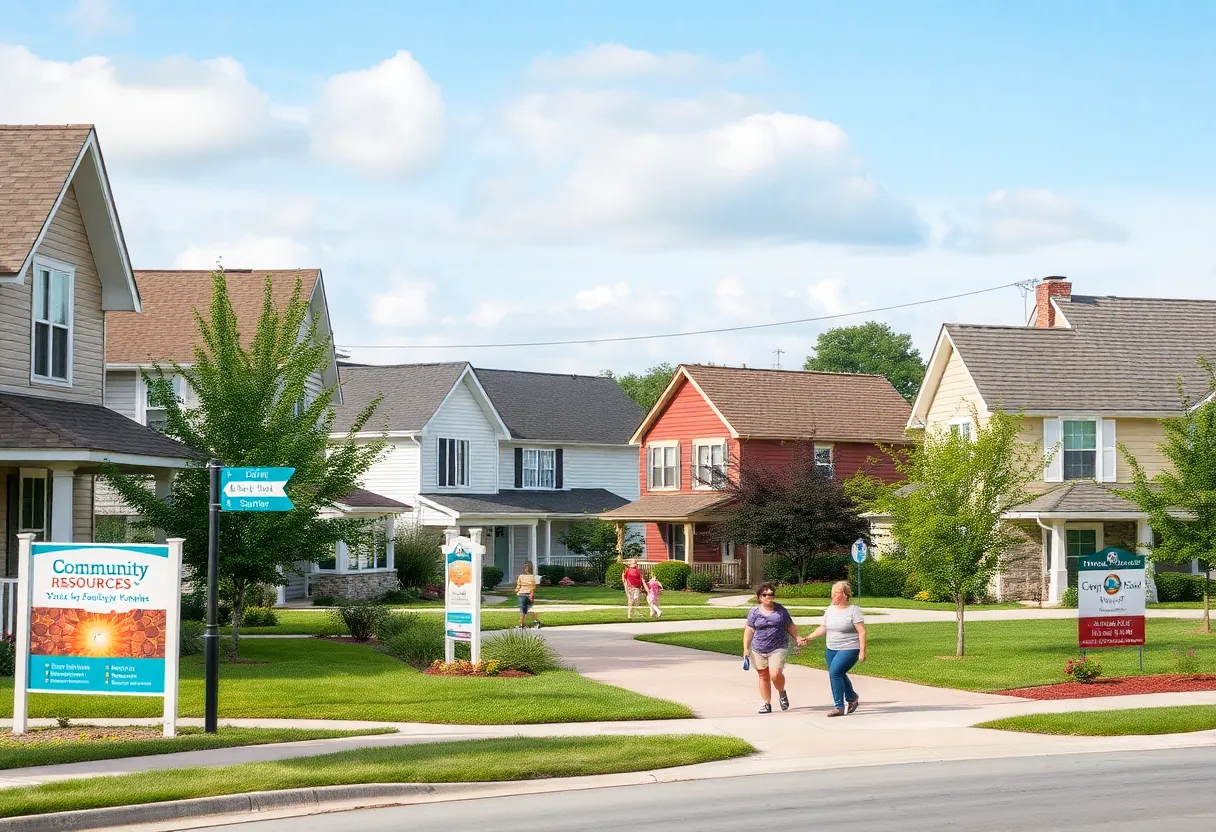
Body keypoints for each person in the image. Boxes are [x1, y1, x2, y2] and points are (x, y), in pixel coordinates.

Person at [799, 580, 866, 716]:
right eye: (832, 593)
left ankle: (839, 707)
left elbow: (862, 631)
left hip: (850, 648)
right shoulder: (829, 610)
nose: (833, 595)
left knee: (835, 673)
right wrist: (809, 637)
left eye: (836, 593)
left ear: (845, 595)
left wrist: (862, 651)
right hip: (831, 649)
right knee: (838, 674)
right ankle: (852, 697)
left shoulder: (853, 611)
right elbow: (823, 628)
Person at [743, 583, 800, 714]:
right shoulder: (754, 612)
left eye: (771, 594)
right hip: (758, 648)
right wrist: (746, 648)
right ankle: (766, 703)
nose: (769, 596)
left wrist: (797, 638)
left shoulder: (781, 610)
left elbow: (789, 626)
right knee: (763, 676)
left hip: (778, 646)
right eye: (765, 594)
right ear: (759, 597)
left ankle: (781, 692)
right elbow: (749, 629)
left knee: (775, 674)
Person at [514, 561, 541, 629]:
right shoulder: (531, 577)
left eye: (526, 567)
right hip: (525, 594)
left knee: (524, 611)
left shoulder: (523, 576)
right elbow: (532, 587)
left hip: (524, 595)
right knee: (525, 611)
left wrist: (517, 591)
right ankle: (523, 624)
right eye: (526, 567)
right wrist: (531, 595)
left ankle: (522, 625)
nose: (526, 568)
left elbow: (519, 586)